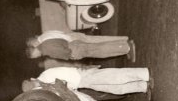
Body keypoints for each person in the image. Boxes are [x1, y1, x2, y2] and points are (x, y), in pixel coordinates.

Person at [22, 66, 153, 96]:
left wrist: (84, 70)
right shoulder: (45, 87)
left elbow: (66, 76)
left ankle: (143, 74)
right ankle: (142, 86)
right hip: (83, 83)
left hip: (81, 76)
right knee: (115, 89)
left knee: (115, 77)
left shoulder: (46, 75)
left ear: (33, 79)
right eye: (34, 87)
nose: (36, 85)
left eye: (33, 84)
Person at [26, 30, 135, 61]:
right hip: (72, 43)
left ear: (34, 50)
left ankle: (126, 48)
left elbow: (62, 52)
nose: (36, 57)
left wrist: (69, 57)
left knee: (100, 51)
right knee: (99, 46)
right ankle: (123, 45)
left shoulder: (45, 48)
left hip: (74, 50)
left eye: (34, 56)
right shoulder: (45, 42)